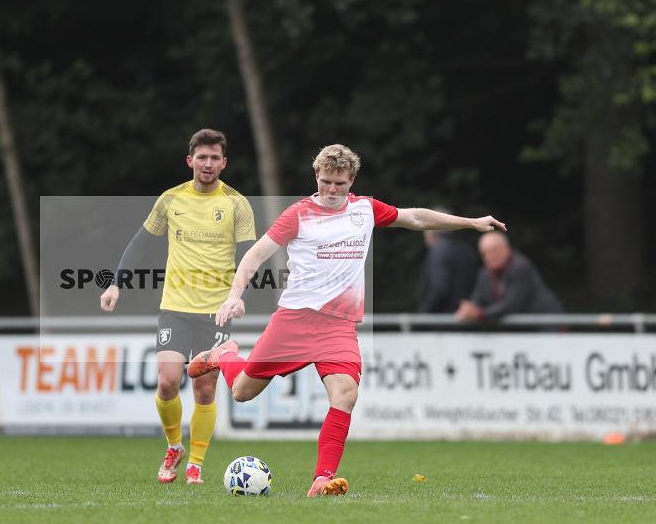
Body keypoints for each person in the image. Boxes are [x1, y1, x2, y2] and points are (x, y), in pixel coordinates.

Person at [187, 144, 505, 497]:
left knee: (346, 394)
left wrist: (471, 222)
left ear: (351, 180)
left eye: (339, 183)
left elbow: (414, 217)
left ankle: (322, 479)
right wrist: (234, 297)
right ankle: (223, 355)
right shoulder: (298, 214)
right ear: (316, 177)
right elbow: (255, 255)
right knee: (242, 391)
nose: (332, 190)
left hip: (338, 326)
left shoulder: (365, 210)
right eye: (325, 182)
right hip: (294, 321)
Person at [99, 129, 256, 485]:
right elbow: (140, 243)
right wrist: (115, 284)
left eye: (215, 157)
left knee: (204, 389)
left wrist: (238, 297)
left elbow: (250, 257)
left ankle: (196, 464)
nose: (208, 163)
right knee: (168, 382)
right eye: (202, 157)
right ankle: (174, 446)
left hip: (216, 312)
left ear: (224, 162)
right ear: (190, 160)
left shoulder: (236, 204)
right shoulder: (171, 199)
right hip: (174, 306)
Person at [455, 232, 563, 322]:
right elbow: (478, 299)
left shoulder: (520, 267)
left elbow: (510, 305)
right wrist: (469, 309)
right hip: (525, 330)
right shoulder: (484, 272)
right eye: (485, 253)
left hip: (548, 325)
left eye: (494, 251)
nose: (490, 256)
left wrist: (479, 313)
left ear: (507, 248)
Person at [417, 213, 479, 313]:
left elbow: (439, 290)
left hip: (443, 320)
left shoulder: (438, 250)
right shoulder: (466, 248)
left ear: (430, 235)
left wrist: (424, 313)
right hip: (466, 317)